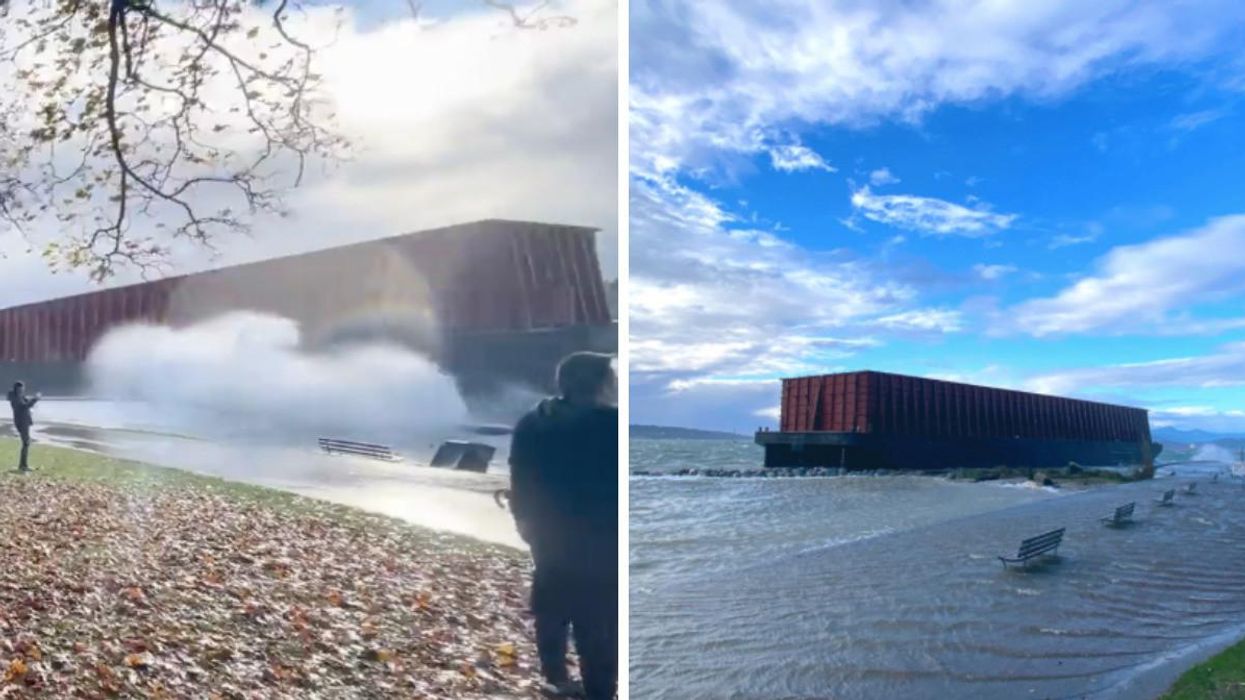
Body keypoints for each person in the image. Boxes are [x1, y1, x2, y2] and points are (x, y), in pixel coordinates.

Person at [509, 352, 618, 699]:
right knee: (599, 624)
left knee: (551, 609)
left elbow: (520, 480)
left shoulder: (532, 421)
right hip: (600, 541)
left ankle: (555, 679)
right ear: (600, 383)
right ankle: (599, 690)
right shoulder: (610, 425)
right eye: (612, 379)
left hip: (548, 536)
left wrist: (525, 524)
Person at [7, 381, 40, 472]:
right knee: (26, 443)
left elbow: (27, 403)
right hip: (21, 422)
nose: (22, 390)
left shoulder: (19, 397)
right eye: (21, 389)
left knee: (26, 443)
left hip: (24, 421)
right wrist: (35, 399)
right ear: (17, 389)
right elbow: (24, 407)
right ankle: (23, 466)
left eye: (23, 389)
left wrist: (33, 399)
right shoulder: (15, 398)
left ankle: (23, 465)